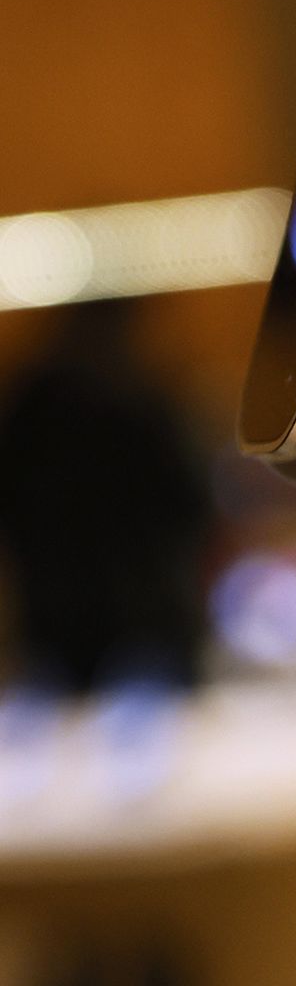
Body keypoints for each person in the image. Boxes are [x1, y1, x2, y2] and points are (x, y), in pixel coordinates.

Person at [0, 297, 215, 695]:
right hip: (146, 618)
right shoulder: (143, 399)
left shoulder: (30, 405)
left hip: (55, 624)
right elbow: (194, 504)